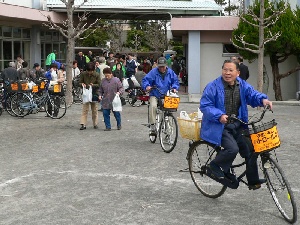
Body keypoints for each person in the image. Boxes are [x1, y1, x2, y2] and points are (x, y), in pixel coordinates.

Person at [200, 59, 273, 190]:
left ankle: (253, 180)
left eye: (230, 70)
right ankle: (214, 165)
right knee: (232, 149)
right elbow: (205, 106)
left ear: (238, 73)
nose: (227, 73)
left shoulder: (242, 85)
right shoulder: (213, 86)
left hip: (238, 124)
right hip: (219, 126)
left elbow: (252, 95)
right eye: (225, 70)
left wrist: (263, 100)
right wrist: (219, 116)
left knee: (252, 149)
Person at [142, 57, 180, 133]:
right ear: (157, 66)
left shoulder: (170, 72)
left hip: (166, 95)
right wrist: (147, 86)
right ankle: (152, 125)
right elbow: (145, 80)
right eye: (160, 66)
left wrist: (175, 88)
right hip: (155, 94)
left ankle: (168, 129)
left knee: (168, 111)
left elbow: (175, 81)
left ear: (166, 65)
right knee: (153, 106)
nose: (162, 68)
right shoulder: (153, 72)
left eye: (163, 66)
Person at [79, 62, 101, 130]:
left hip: (94, 93)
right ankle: (83, 124)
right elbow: (79, 82)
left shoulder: (97, 74)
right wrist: (82, 84)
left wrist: (93, 85)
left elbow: (99, 84)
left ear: (93, 70)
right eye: (88, 71)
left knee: (94, 109)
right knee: (85, 109)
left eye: (91, 71)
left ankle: (95, 123)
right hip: (86, 93)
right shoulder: (83, 74)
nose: (89, 72)